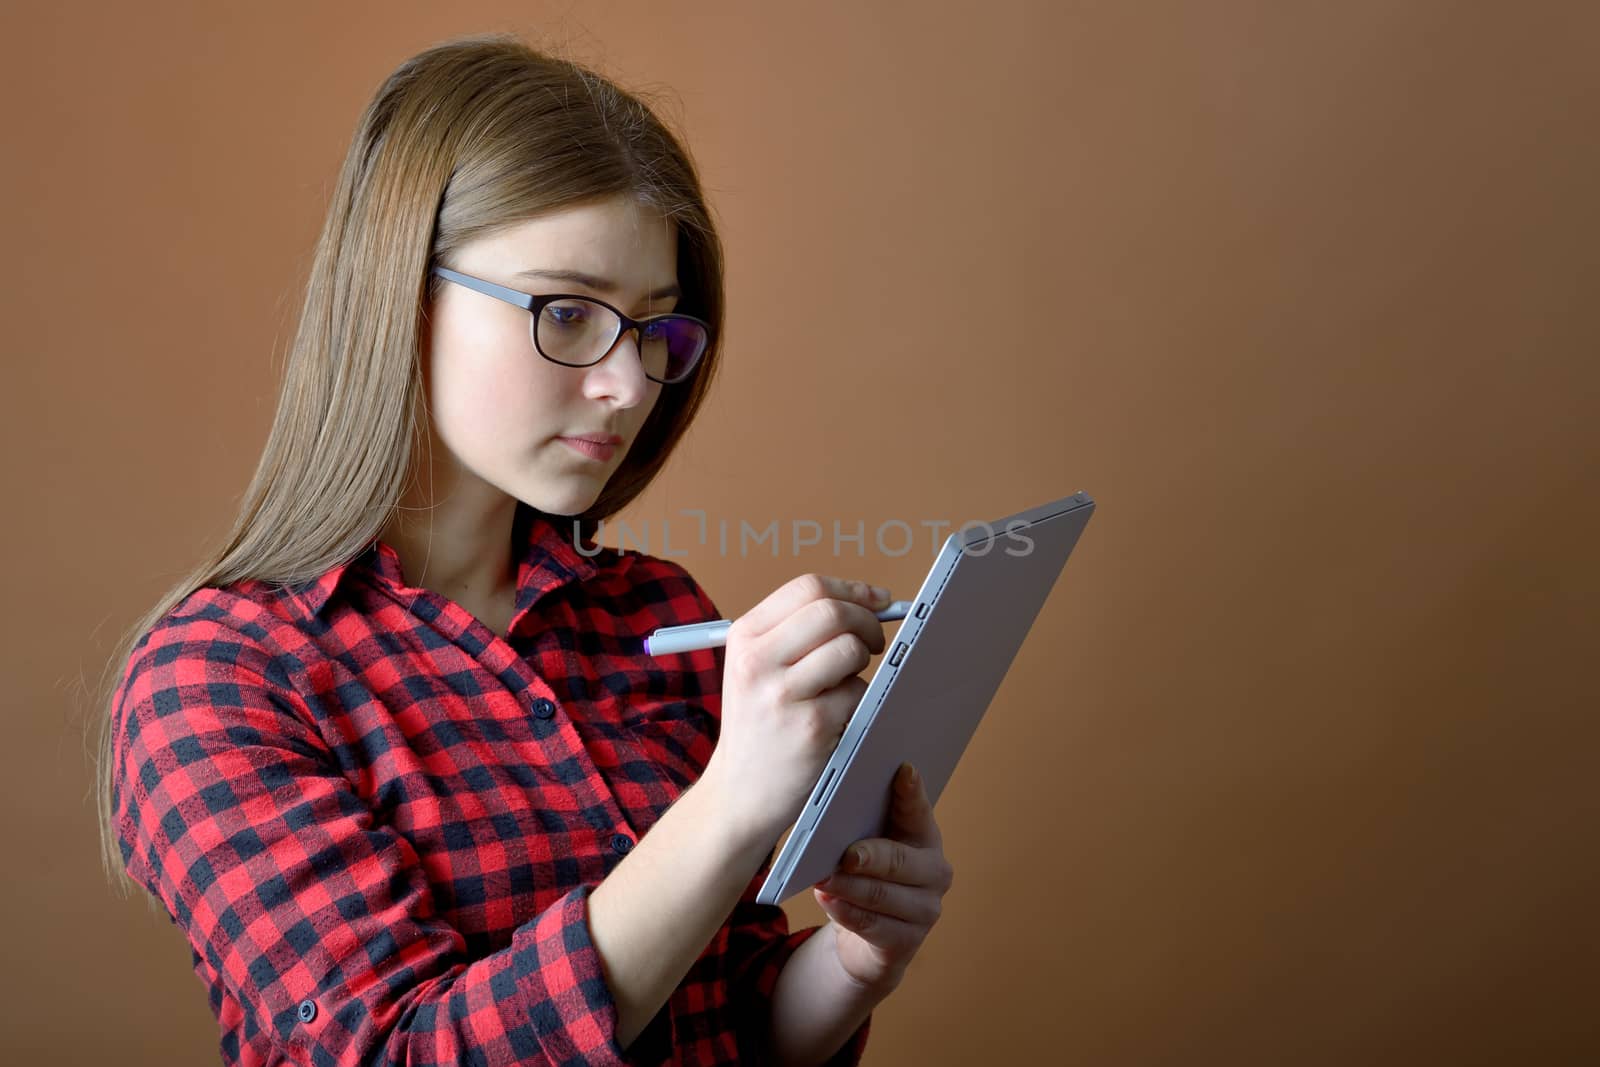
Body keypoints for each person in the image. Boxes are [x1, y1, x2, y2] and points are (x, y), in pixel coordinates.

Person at [93, 32, 954, 1067]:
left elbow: (716, 1021)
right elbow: (393, 1053)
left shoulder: (655, 619)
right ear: (404, 295)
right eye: (566, 311)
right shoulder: (222, 677)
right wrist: (729, 802)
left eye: (652, 329)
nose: (630, 384)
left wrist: (853, 962)